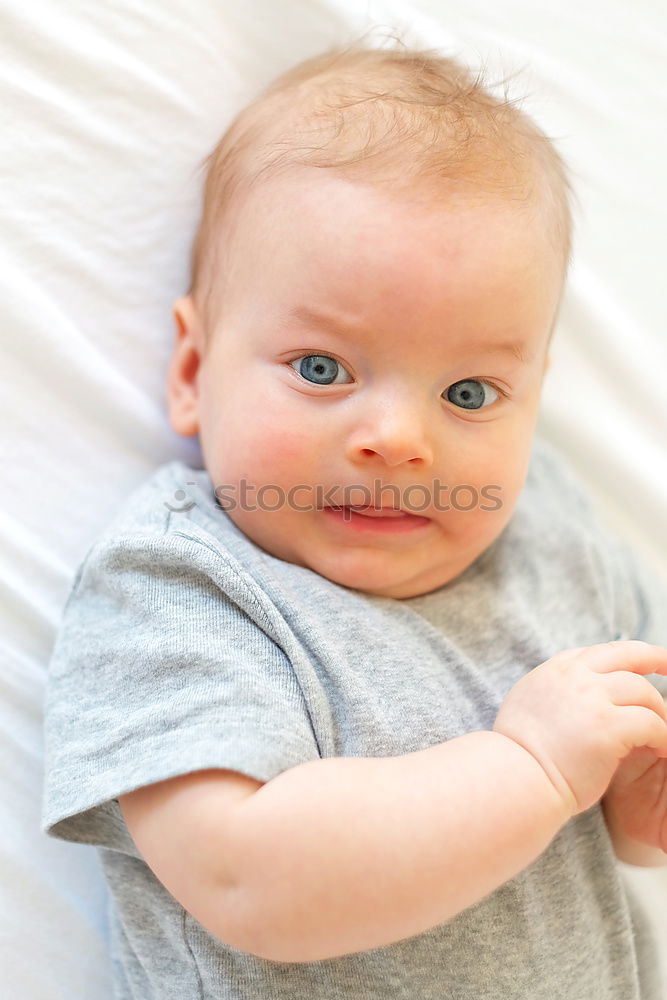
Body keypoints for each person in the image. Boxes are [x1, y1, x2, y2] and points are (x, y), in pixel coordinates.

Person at [41, 39, 667, 999]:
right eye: (322, 369)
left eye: (468, 391)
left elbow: (616, 820)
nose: (399, 439)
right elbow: (246, 879)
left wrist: (638, 793)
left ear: (534, 393)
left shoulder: (560, 539)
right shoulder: (179, 585)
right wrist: (529, 767)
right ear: (193, 372)